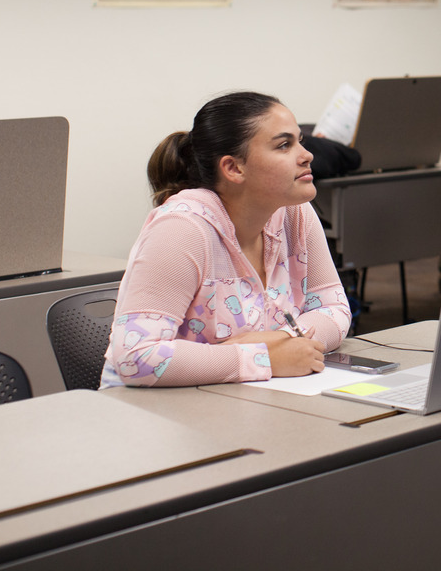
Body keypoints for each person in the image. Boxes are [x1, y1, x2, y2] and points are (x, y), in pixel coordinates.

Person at [101, 91, 352, 388]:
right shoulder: (182, 229)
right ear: (234, 168)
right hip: (151, 415)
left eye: (301, 141)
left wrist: (279, 341)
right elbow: (136, 357)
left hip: (243, 402)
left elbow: (335, 310)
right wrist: (264, 358)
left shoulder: (295, 214)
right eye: (284, 145)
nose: (307, 156)